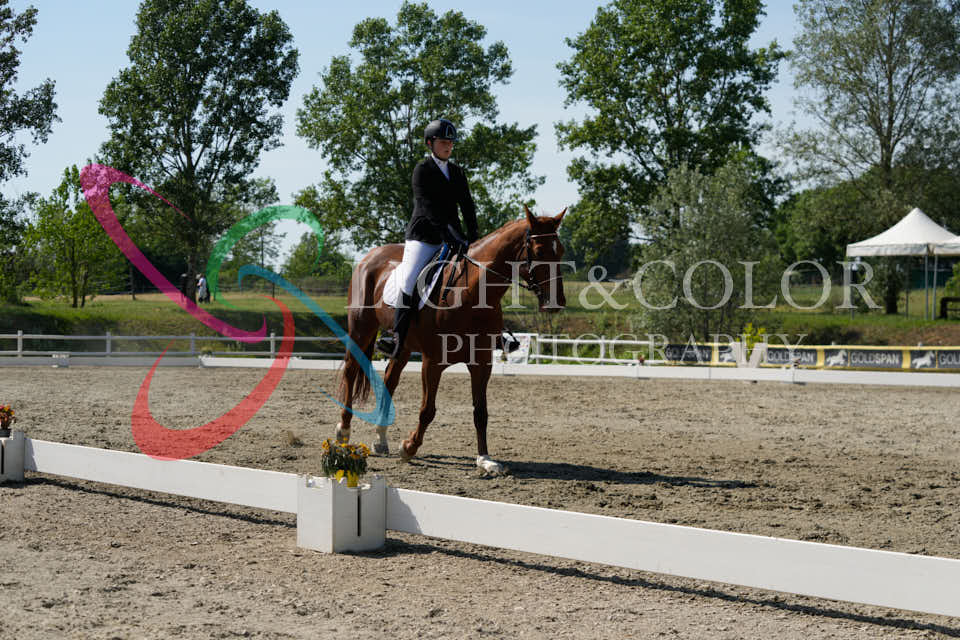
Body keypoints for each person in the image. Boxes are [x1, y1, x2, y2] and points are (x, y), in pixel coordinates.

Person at [376, 118, 479, 358]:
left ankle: (494, 331)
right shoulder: (422, 170)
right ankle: (395, 337)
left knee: (477, 275)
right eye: (443, 142)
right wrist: (447, 236)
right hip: (423, 237)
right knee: (409, 278)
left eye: (451, 142)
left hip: (454, 236)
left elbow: (467, 205)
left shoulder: (457, 172)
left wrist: (473, 235)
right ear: (430, 143)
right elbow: (427, 207)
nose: (448, 146)